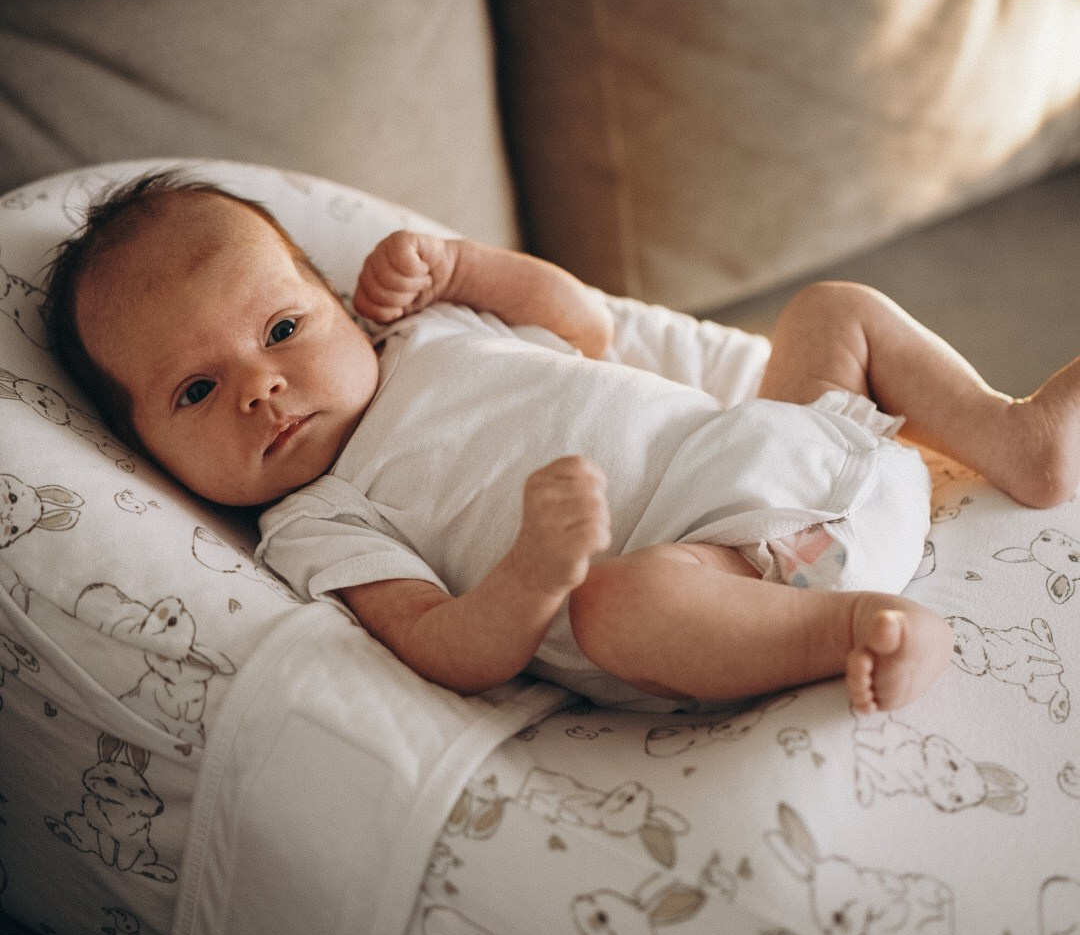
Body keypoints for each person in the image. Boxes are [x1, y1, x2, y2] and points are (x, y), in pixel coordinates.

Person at [42, 172, 1080, 718]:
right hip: (724, 573)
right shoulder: (315, 519)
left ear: (338, 303)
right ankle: (864, 625)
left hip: (795, 449)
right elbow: (445, 646)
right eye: (195, 388)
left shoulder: (429, 332)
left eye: (279, 330)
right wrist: (534, 570)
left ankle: (1016, 434)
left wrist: (465, 264)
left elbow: (586, 326)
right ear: (143, 449)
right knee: (616, 603)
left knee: (832, 309)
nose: (260, 387)